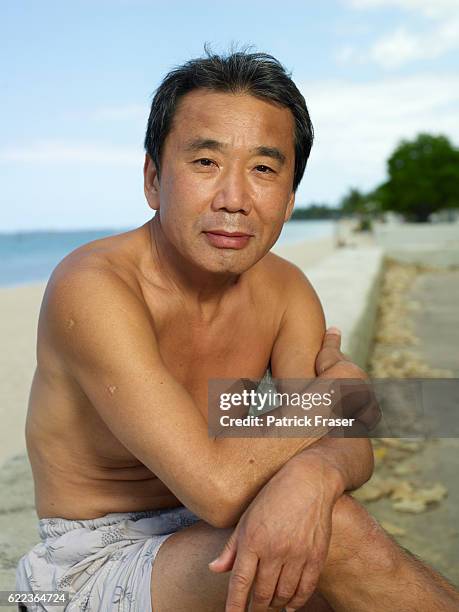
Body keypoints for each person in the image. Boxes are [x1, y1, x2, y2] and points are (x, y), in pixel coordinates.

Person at [16, 48, 458, 611]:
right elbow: (220, 489)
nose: (234, 200)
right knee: (333, 539)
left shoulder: (285, 288)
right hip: (92, 560)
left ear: (290, 198)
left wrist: (315, 475)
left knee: (316, 531)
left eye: (264, 170)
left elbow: (354, 445)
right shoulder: (93, 286)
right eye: (205, 163)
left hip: (210, 537)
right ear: (154, 180)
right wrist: (336, 396)